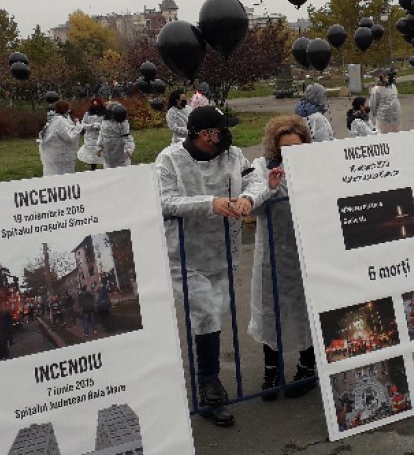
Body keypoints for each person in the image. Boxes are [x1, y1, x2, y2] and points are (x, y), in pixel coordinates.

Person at [155, 105, 262, 427]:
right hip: (185, 255)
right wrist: (210, 203)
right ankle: (209, 386)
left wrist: (249, 200)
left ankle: (208, 378)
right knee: (206, 312)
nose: (226, 134)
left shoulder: (233, 155)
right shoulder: (169, 159)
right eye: (220, 129)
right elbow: (163, 199)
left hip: (224, 252)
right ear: (203, 134)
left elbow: (255, 181)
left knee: (217, 313)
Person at [241, 116, 316, 401]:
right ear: (274, 146)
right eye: (284, 149)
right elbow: (253, 205)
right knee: (269, 311)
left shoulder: (314, 167)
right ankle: (271, 371)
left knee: (305, 310)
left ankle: (306, 367)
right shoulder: (261, 168)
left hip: (304, 252)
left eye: (296, 148)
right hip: (271, 252)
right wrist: (270, 188)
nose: (290, 154)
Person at [38, 100, 83, 176]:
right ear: (65, 109)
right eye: (68, 108)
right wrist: (78, 125)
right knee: (61, 177)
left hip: (54, 154)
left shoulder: (55, 119)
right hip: (60, 156)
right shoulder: (60, 120)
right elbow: (69, 137)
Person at [98, 103, 135, 168]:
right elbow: (101, 135)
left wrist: (129, 149)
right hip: (107, 153)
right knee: (108, 170)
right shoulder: (105, 122)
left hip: (120, 153)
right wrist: (99, 147)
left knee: (122, 170)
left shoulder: (123, 124)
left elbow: (127, 137)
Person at [368, 68, 401, 133]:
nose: (392, 78)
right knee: (383, 137)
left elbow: (395, 101)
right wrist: (375, 115)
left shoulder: (393, 86)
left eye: (393, 76)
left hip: (395, 119)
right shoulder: (377, 89)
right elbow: (372, 105)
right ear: (383, 76)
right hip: (383, 119)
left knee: (394, 137)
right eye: (389, 76)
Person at [77, 97, 105, 170]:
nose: (95, 106)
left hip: (100, 136)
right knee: (92, 155)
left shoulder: (104, 114)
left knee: (101, 153)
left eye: (97, 104)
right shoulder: (88, 114)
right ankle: (93, 168)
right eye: (94, 104)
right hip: (90, 137)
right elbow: (83, 124)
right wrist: (91, 125)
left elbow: (107, 125)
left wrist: (99, 126)